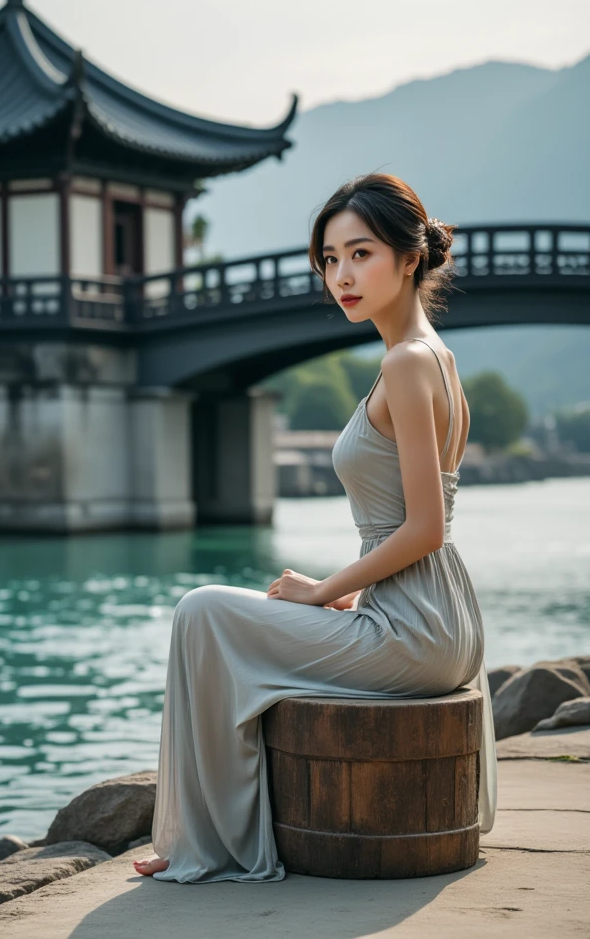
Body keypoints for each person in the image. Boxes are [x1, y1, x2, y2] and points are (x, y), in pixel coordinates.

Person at [133, 172, 497, 882]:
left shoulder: (407, 364)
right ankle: (207, 832)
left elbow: (423, 528)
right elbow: (424, 528)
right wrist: (352, 599)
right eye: (329, 259)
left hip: (418, 630)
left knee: (201, 613)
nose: (341, 275)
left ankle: (204, 841)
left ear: (409, 256)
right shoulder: (434, 359)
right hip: (441, 620)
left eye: (360, 254)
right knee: (223, 616)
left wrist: (321, 588)